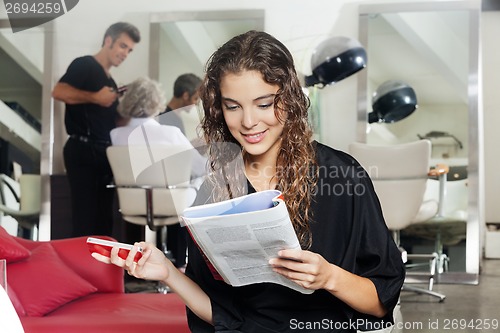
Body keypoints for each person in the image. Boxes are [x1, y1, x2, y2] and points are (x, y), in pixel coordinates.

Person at [92, 30, 405, 333]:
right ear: (219, 108)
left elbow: (380, 303)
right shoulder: (215, 188)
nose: (249, 121)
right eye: (233, 106)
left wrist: (328, 277)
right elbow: (225, 317)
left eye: (264, 103)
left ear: (290, 97)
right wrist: (168, 273)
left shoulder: (344, 176)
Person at [52, 22, 141, 237]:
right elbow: (59, 91)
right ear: (108, 40)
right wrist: (96, 97)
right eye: (122, 46)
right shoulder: (85, 65)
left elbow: (107, 120)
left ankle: (99, 268)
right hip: (82, 150)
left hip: (103, 153)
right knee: (86, 217)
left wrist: (131, 113)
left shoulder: (110, 80)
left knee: (103, 218)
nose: (125, 54)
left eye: (129, 50)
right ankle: (83, 269)